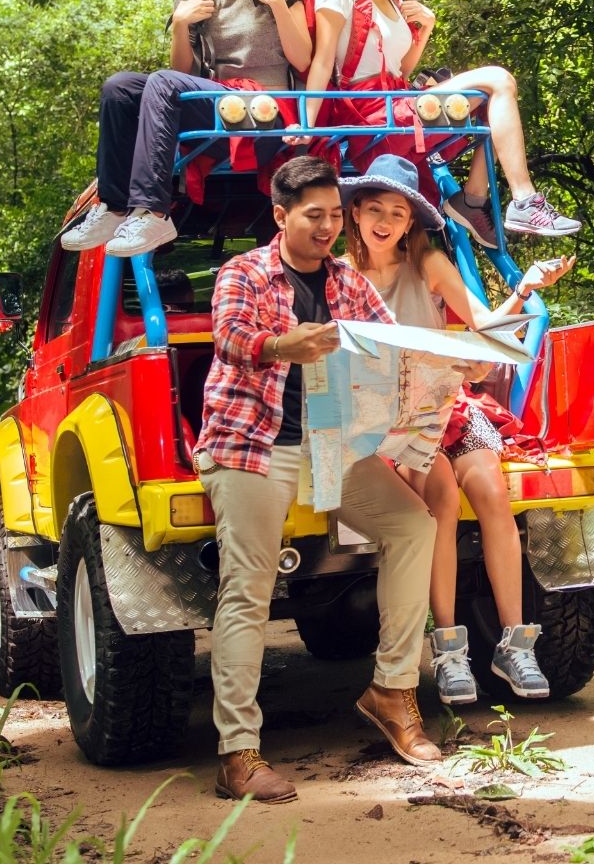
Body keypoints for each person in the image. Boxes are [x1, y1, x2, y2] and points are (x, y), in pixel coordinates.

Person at [196, 155, 443, 804]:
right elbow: (231, 340)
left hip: (329, 448)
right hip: (251, 446)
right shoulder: (242, 274)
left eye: (337, 215)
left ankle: (392, 692)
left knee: (414, 526)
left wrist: (447, 367)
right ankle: (239, 757)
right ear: (281, 217)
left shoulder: (347, 280)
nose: (330, 227)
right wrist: (283, 346)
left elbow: (394, 342)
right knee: (247, 591)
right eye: (315, 216)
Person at [338, 153, 574, 706]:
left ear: (410, 223)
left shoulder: (430, 263)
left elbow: (484, 324)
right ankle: (448, 650)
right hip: (390, 420)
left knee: (493, 493)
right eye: (375, 209)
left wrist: (525, 291)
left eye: (398, 213)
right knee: (441, 501)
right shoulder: (340, 275)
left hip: (448, 403)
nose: (385, 222)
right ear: (355, 213)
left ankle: (516, 645)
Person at [301, 0, 580, 248]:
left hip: (397, 102)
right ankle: (524, 200)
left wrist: (426, 28)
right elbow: (324, 60)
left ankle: (473, 200)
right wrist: (307, 122)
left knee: (489, 102)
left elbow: (401, 69)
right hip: (370, 117)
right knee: (499, 79)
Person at [62, 0, 312, 259]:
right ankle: (113, 206)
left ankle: (153, 211)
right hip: (217, 106)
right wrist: (181, 24)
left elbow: (303, 58)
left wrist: (277, 3)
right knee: (120, 87)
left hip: (265, 111)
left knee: (161, 83)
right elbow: (184, 75)